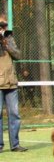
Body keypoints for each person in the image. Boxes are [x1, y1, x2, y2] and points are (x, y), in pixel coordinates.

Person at [0, 15, 26, 153]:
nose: (4, 27)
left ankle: (15, 144)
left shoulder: (9, 38)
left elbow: (18, 55)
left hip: (11, 82)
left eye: (5, 25)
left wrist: (6, 44)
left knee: (15, 114)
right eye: (1, 25)